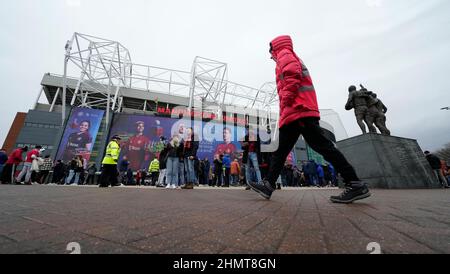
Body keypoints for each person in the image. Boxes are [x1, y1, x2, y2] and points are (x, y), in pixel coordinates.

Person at [249, 35, 371, 203]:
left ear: (274, 48)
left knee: (322, 147)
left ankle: (355, 183)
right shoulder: (288, 55)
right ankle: (268, 185)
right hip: (298, 111)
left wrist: (285, 102)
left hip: (298, 110)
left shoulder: (284, 54)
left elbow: (292, 77)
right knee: (285, 151)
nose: (270, 56)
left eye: (270, 52)